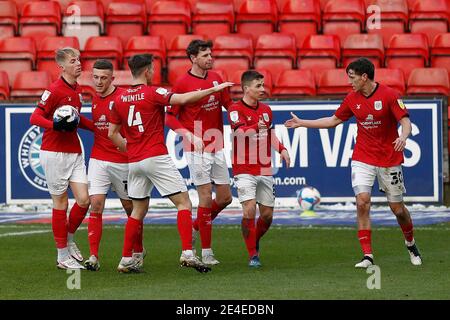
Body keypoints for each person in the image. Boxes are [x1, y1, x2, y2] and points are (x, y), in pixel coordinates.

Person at [285, 57, 422, 268]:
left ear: (364, 77)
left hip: (389, 159)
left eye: (352, 77)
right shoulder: (352, 98)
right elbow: (333, 121)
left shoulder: (390, 95)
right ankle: (367, 256)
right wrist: (302, 123)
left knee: (398, 209)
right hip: (363, 157)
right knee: (362, 201)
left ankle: (410, 242)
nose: (350, 82)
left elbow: (405, 121)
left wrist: (403, 136)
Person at [108, 54, 233, 273]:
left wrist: (129, 148)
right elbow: (183, 100)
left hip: (134, 160)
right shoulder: (153, 92)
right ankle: (187, 253)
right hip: (155, 156)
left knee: (137, 210)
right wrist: (214, 90)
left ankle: (126, 258)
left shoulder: (119, 98)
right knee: (184, 202)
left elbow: (112, 133)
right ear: (147, 71)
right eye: (152, 69)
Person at [165, 39, 233, 265]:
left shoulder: (216, 78)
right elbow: (169, 115)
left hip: (216, 143)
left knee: (224, 197)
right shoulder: (183, 83)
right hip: (196, 146)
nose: (210, 58)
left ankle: (196, 226)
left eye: (211, 54)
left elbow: (229, 104)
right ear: (193, 58)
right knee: (204, 197)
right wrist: (186, 134)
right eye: (205, 55)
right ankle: (206, 252)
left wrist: (239, 118)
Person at [29, 47, 95, 270]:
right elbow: (35, 117)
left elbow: (77, 120)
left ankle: (68, 238)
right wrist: (54, 125)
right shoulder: (54, 90)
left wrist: (98, 128)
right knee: (61, 203)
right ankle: (62, 256)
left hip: (74, 152)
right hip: (54, 153)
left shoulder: (77, 90)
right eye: (74, 61)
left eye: (79, 60)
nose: (79, 64)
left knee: (85, 200)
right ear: (62, 66)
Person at [84, 59, 145, 271]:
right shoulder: (93, 99)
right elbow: (99, 128)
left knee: (131, 208)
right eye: (96, 77)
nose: (99, 82)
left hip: (122, 161)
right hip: (98, 159)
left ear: (113, 78)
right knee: (96, 204)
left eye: (103, 78)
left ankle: (137, 251)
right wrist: (79, 121)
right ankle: (93, 256)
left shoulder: (121, 98)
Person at [228, 70, 290, 268]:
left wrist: (282, 149)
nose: (262, 89)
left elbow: (270, 134)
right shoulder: (235, 109)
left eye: (263, 85)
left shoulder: (266, 110)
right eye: (258, 86)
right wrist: (257, 126)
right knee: (249, 211)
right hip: (243, 167)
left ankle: (253, 240)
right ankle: (253, 254)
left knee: (267, 216)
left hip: (264, 168)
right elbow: (238, 133)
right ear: (246, 89)